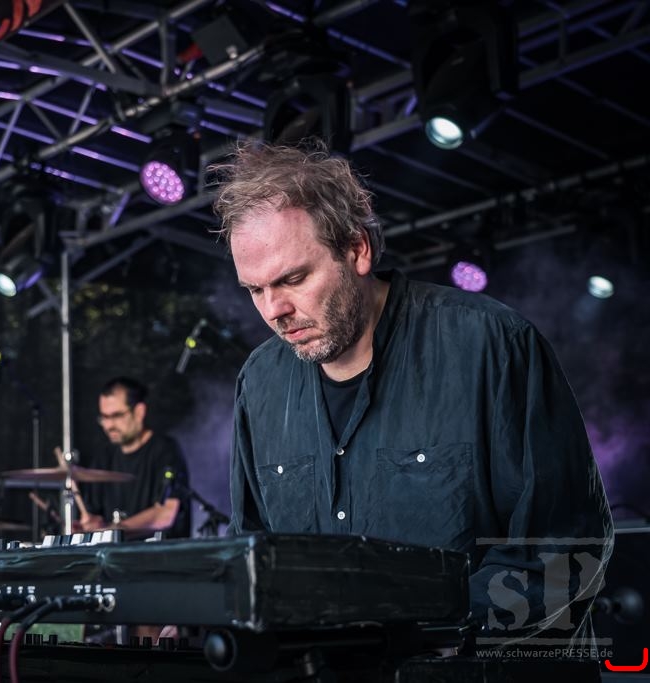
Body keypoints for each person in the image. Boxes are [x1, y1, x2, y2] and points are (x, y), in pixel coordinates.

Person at [212, 140, 613, 648]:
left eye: (293, 278)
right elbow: (252, 552)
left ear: (357, 249)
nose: (274, 311)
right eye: (255, 290)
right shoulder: (259, 383)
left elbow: (563, 553)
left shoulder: (491, 345)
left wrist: (412, 635)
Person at [77, 377, 191, 539]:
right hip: (113, 554)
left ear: (139, 412)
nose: (109, 425)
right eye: (104, 417)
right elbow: (94, 516)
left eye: (117, 415)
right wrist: (87, 526)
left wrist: (113, 530)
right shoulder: (103, 457)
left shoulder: (165, 451)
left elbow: (165, 515)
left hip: (157, 553)